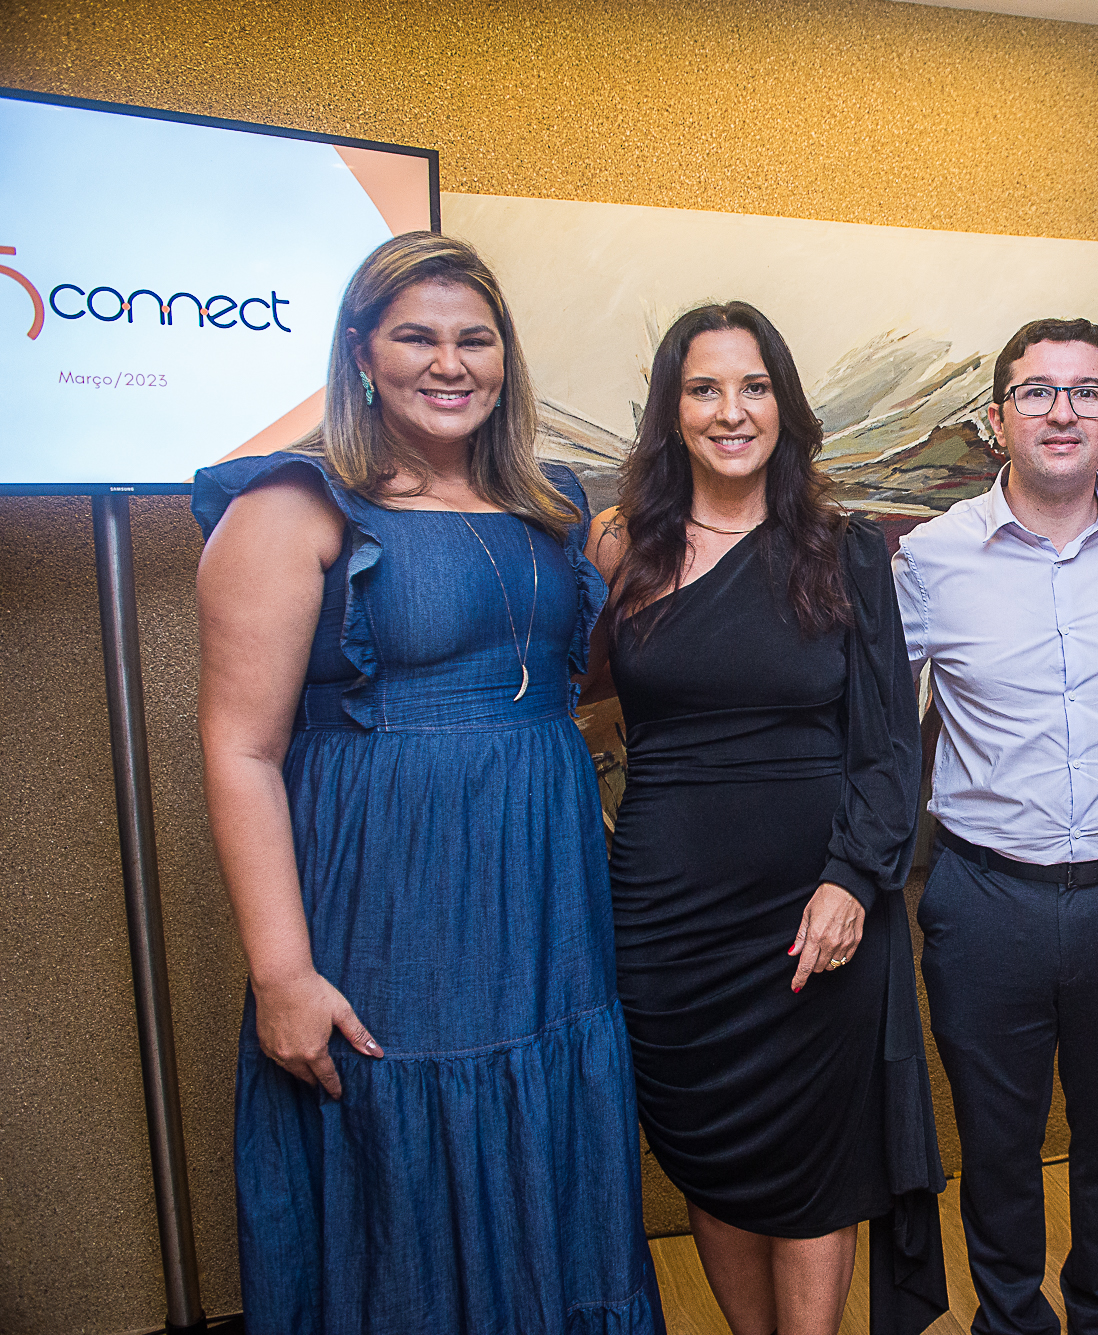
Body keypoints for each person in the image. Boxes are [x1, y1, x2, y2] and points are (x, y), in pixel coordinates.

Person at [193, 232, 664, 1334]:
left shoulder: (550, 503)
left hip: (544, 894)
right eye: (416, 337)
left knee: (546, 1119)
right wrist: (282, 974)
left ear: (505, 356)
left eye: (474, 339)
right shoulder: (294, 506)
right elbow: (239, 751)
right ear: (361, 353)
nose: (449, 363)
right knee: (405, 1134)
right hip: (391, 898)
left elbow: (570, 682)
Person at [586, 301, 945, 1335]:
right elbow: (557, 696)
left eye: (753, 387)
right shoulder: (622, 547)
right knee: (709, 1146)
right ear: (671, 410)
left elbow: (889, 744)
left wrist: (852, 879)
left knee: (812, 1157)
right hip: (667, 919)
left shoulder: (843, 550)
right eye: (703, 389)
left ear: (785, 405)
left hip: (814, 911)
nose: (730, 411)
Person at [894, 318, 1098, 1335]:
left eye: (1085, 391)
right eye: (1036, 391)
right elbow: (873, 716)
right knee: (997, 1145)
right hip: (985, 900)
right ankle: (1010, 1319)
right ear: (996, 418)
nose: (1062, 411)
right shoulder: (930, 558)